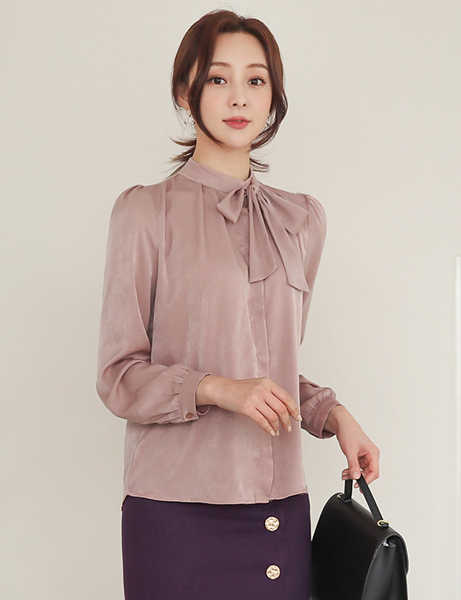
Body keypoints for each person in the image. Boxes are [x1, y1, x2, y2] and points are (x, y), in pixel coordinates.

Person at [96, 8, 380, 600]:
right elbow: (118, 377)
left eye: (256, 80)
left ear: (274, 97)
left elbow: (272, 363)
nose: (238, 97)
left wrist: (334, 416)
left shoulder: (301, 219)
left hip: (277, 502)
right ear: (186, 91)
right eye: (218, 78)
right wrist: (217, 388)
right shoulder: (145, 212)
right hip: (173, 508)